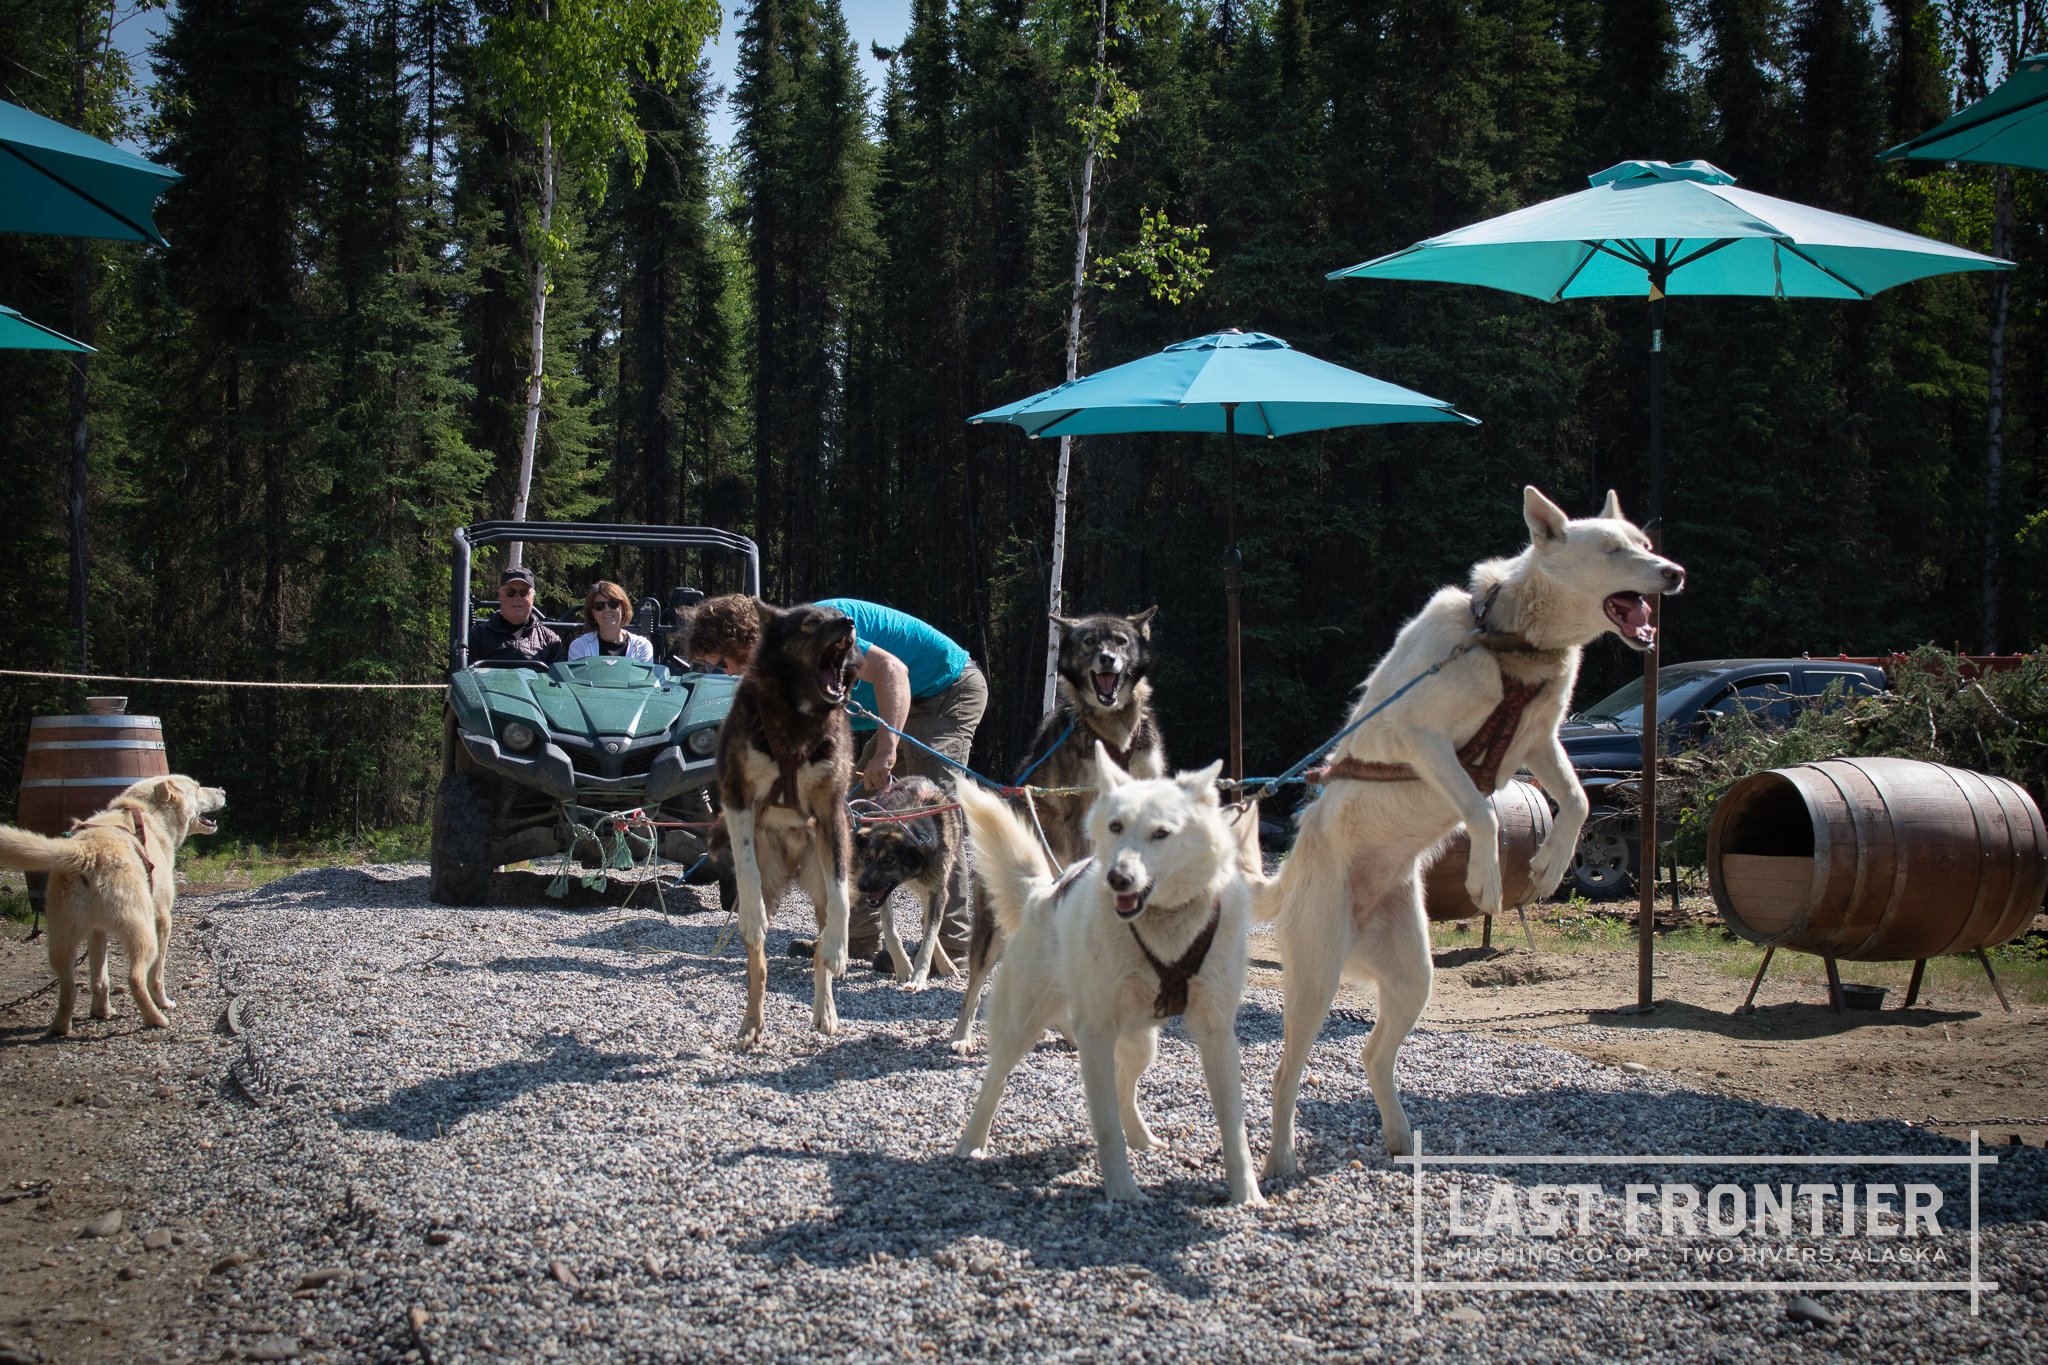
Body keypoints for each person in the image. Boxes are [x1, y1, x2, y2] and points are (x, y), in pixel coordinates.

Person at [684, 593, 988, 967]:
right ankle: (852, 938)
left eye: (724, 661)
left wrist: (886, 752)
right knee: (856, 819)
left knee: (937, 819)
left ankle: (952, 948)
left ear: (741, 640)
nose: (728, 671)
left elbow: (893, 672)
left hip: (945, 690)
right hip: (894, 705)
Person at [468, 567, 565, 665]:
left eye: (524, 593)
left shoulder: (550, 640)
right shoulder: (477, 636)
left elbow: (559, 677)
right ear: (500, 595)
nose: (517, 598)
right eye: (511, 592)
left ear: (533, 598)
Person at [567, 580, 656, 661]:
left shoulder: (641, 647)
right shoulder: (579, 646)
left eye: (613, 604)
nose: (607, 610)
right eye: (599, 606)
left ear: (623, 608)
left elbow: (643, 678)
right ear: (593, 613)